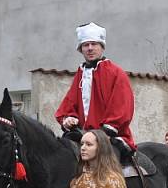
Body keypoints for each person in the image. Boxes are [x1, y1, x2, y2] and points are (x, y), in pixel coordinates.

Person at [54, 22, 136, 162]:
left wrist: (102, 134)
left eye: (94, 44)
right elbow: (69, 105)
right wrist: (69, 119)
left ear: (101, 47)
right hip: (82, 136)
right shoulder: (80, 74)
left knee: (108, 171)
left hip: (109, 137)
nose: (90, 48)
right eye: (86, 45)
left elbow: (122, 109)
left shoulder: (116, 73)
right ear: (81, 49)